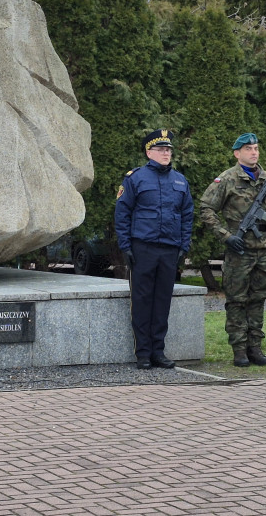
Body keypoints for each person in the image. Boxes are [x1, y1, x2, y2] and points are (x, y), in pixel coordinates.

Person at [200, 133, 266, 368]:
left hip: (264, 251)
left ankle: (255, 347)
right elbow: (206, 209)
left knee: (258, 299)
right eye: (248, 148)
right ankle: (239, 349)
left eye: (256, 148)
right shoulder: (227, 179)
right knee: (237, 300)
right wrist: (226, 237)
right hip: (240, 251)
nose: (254, 152)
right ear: (237, 153)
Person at [114, 130, 194, 370]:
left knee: (162, 302)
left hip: (169, 250)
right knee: (141, 301)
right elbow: (122, 213)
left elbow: (187, 215)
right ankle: (143, 353)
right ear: (149, 152)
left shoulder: (180, 180)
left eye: (169, 149)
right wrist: (126, 246)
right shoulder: (135, 178)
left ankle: (158, 351)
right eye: (161, 149)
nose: (166, 153)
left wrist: (184, 245)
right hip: (143, 248)